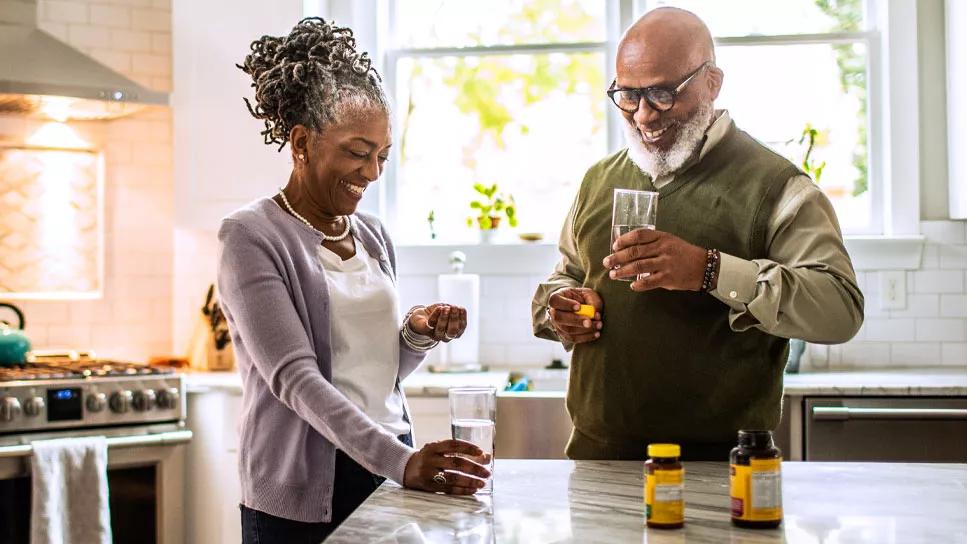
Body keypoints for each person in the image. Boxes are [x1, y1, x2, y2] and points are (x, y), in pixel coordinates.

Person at [532, 8, 864, 461]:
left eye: (664, 93)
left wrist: (709, 270)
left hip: (723, 470)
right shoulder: (598, 180)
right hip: (597, 461)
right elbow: (566, 276)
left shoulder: (777, 187)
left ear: (712, 82)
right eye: (628, 95)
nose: (644, 115)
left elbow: (840, 310)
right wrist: (559, 310)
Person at [218, 18, 490, 544]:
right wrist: (404, 462)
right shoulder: (250, 236)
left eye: (382, 156)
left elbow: (375, 371)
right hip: (302, 493)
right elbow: (297, 379)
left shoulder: (372, 235)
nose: (372, 172)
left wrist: (416, 333)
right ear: (302, 143)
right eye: (358, 152)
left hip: (383, 466)